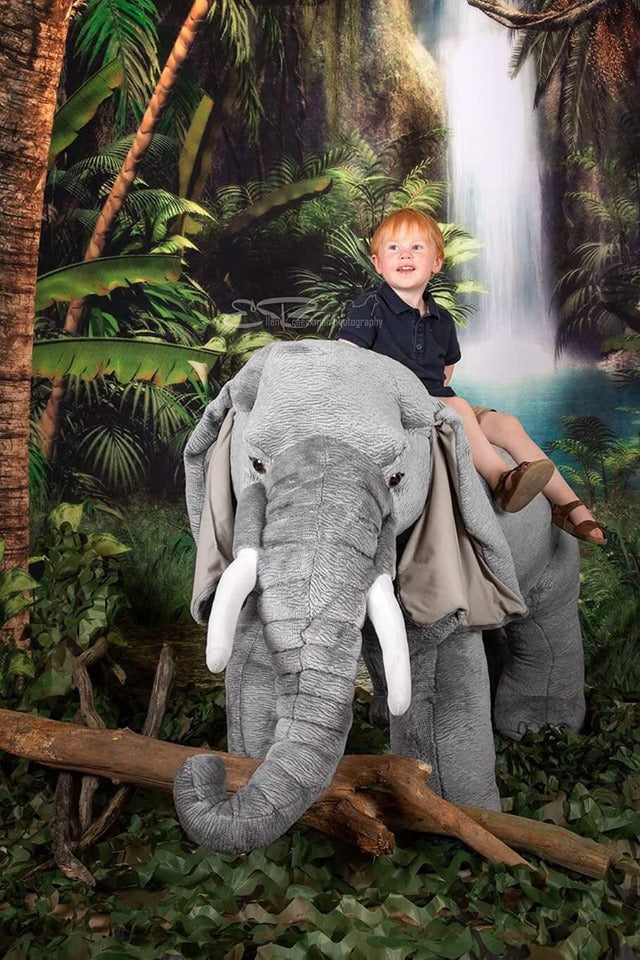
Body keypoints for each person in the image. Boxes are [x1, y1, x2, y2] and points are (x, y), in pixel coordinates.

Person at [337, 208, 606, 541]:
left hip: (437, 401)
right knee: (461, 408)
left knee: (506, 424)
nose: (404, 254)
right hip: (392, 403)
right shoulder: (370, 307)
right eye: (393, 248)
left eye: (417, 248)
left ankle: (571, 508)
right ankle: (501, 481)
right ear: (378, 263)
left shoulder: (442, 318)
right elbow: (347, 359)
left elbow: (446, 371)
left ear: (436, 263)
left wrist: (439, 398)